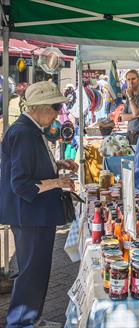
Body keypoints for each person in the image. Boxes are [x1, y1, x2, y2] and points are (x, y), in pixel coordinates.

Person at [0, 81, 77, 327]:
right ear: (41, 107)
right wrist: (58, 182)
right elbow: (21, 183)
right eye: (56, 107)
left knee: (36, 270)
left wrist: (57, 166)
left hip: (33, 214)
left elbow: (31, 167)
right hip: (29, 215)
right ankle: (22, 322)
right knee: (32, 272)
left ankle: (31, 319)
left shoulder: (29, 129)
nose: (58, 113)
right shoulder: (24, 132)